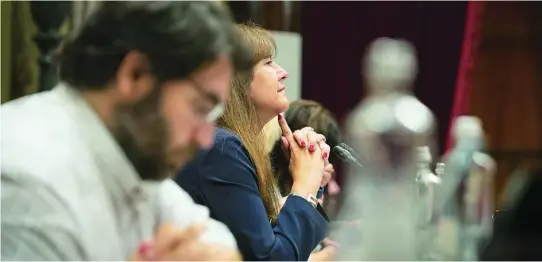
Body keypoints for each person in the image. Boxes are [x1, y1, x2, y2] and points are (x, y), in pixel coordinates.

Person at [1, 2, 253, 261]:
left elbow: (220, 246)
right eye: (201, 108)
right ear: (136, 74)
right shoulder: (31, 184)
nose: (206, 139)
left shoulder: (133, 157)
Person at [175, 23, 334, 261]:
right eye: (268, 63)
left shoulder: (227, 144)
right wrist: (305, 188)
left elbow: (278, 244)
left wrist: (311, 176)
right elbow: (270, 258)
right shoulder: (223, 148)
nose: (283, 72)